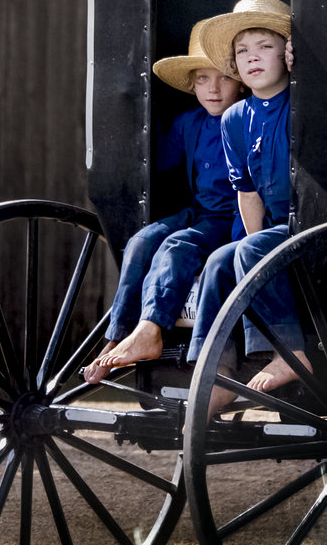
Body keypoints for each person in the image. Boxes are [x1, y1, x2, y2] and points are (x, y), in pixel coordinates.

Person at [82, 25, 244, 382]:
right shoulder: (190, 124)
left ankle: (151, 329)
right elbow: (156, 158)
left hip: (233, 218)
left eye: (223, 78)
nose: (213, 89)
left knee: (177, 244)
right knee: (142, 240)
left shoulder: (244, 119)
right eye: (202, 79)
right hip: (201, 212)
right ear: (191, 85)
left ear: (241, 81)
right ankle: (118, 335)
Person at [190, 0, 309, 397]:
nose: (252, 57)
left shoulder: (303, 102)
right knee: (223, 258)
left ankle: (289, 352)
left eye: (265, 47)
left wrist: (304, 67)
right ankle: (215, 373)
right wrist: (249, 244)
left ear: (287, 55)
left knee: (251, 251)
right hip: (274, 230)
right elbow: (248, 192)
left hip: (311, 226)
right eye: (243, 51)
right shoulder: (235, 118)